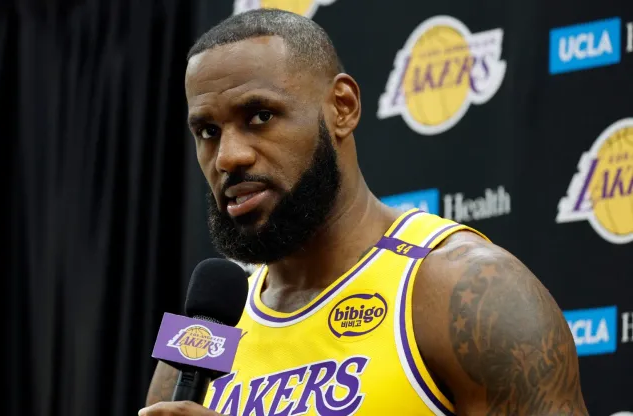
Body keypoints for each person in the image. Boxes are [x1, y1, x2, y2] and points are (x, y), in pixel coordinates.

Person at [140, 8, 587, 416]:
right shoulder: (193, 352)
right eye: (208, 131)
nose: (228, 157)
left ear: (342, 108)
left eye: (260, 116)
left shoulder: (468, 296)